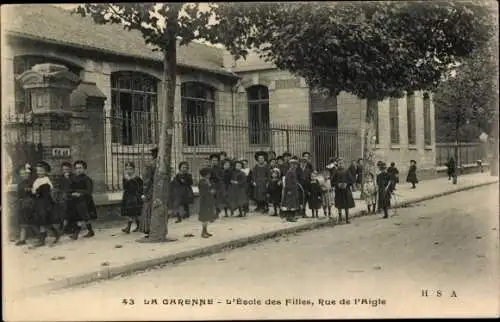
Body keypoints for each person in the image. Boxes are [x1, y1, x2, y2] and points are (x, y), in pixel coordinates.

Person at [31, 161, 60, 247]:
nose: (39, 172)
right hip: (38, 203)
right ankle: (55, 234)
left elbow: (44, 193)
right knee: (43, 222)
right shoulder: (37, 180)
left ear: (46, 172)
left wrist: (36, 192)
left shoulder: (46, 181)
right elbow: (34, 190)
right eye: (38, 171)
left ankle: (42, 240)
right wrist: (34, 192)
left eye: (41, 171)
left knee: (43, 221)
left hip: (45, 203)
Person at [69, 160, 97, 240]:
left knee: (85, 217)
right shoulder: (73, 179)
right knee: (79, 217)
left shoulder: (87, 179)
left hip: (85, 201)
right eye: (77, 168)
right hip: (76, 201)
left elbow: (89, 191)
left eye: (80, 168)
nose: (78, 170)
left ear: (84, 169)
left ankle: (78, 234)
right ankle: (87, 232)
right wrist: (72, 193)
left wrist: (79, 193)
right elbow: (70, 189)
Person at [121, 161, 144, 233]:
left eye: (130, 169)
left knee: (132, 212)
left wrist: (140, 195)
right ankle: (139, 226)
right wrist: (127, 181)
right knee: (132, 213)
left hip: (135, 197)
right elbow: (124, 187)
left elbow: (141, 187)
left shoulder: (137, 178)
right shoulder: (125, 178)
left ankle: (128, 227)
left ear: (134, 169)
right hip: (127, 196)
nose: (129, 171)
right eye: (127, 169)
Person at [140, 146, 158, 238]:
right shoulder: (164, 163)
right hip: (159, 190)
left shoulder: (150, 165)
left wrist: (144, 192)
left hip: (151, 190)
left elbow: (146, 181)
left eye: (153, 153)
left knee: (148, 209)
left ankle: (149, 230)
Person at [14, 164, 35, 246]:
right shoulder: (20, 184)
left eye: (26, 174)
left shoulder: (33, 182)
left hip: (31, 204)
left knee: (32, 221)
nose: (24, 175)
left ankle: (41, 236)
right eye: (22, 174)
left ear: (29, 174)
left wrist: (30, 191)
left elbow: (35, 193)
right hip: (22, 205)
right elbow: (19, 195)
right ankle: (22, 239)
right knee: (23, 220)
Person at [331, 158, 355, 224]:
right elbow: (332, 181)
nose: (341, 165)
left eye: (342, 163)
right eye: (339, 163)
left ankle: (347, 218)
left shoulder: (347, 171)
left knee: (346, 204)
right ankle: (340, 218)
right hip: (338, 191)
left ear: (344, 164)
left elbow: (351, 180)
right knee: (339, 204)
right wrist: (337, 184)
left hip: (346, 190)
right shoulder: (335, 172)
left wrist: (346, 184)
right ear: (337, 164)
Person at [56, 162, 75, 234]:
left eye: (67, 169)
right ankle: (63, 228)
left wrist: (68, 179)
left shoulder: (73, 177)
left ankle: (70, 228)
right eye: (64, 169)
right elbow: (59, 187)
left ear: (70, 169)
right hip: (64, 198)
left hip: (71, 197)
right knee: (63, 214)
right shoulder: (61, 178)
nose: (65, 171)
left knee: (70, 214)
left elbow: (74, 186)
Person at [198, 167, 218, 238]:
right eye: (208, 173)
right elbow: (203, 191)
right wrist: (210, 192)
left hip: (209, 200)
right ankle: (203, 232)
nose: (209, 175)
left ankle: (205, 231)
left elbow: (213, 188)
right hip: (204, 201)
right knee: (204, 217)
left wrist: (213, 191)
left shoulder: (209, 181)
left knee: (207, 216)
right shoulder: (202, 181)